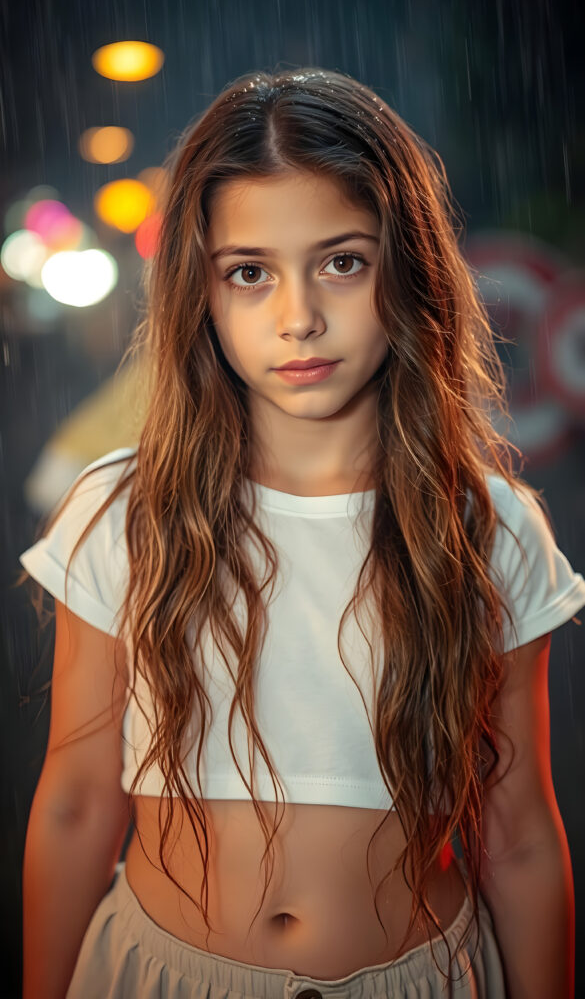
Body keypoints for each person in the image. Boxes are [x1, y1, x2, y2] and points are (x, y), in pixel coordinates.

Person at [17, 66, 585, 999]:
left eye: (341, 262)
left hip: (424, 978)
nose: (298, 318)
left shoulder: (484, 527)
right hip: (159, 974)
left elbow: (518, 833)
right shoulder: (124, 511)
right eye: (250, 273)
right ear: (199, 294)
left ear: (406, 270)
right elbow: (77, 802)